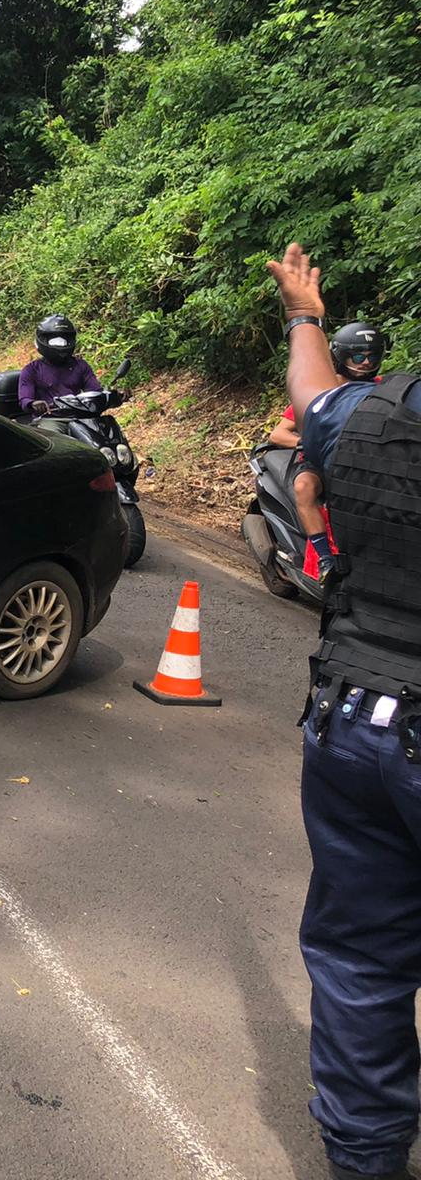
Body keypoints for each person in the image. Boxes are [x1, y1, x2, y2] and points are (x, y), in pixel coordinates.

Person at [268, 242, 421, 1180]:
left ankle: (365, 1160)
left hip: (358, 716)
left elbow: (312, 396)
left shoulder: (371, 413)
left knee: (362, 962)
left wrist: (302, 312)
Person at [285, 322, 388, 577]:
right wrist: (309, 441)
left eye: (371, 356)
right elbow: (280, 431)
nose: (365, 362)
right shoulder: (322, 390)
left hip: (366, 458)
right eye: (357, 356)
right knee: (304, 487)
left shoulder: (385, 389)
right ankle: (324, 558)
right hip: (320, 460)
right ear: (341, 356)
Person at [18, 314, 101, 415]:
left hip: (79, 416)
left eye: (64, 340)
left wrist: (115, 397)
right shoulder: (32, 370)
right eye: (55, 341)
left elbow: (96, 392)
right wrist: (33, 404)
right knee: (53, 430)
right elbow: (25, 400)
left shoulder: (80, 366)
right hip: (50, 418)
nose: (60, 344)